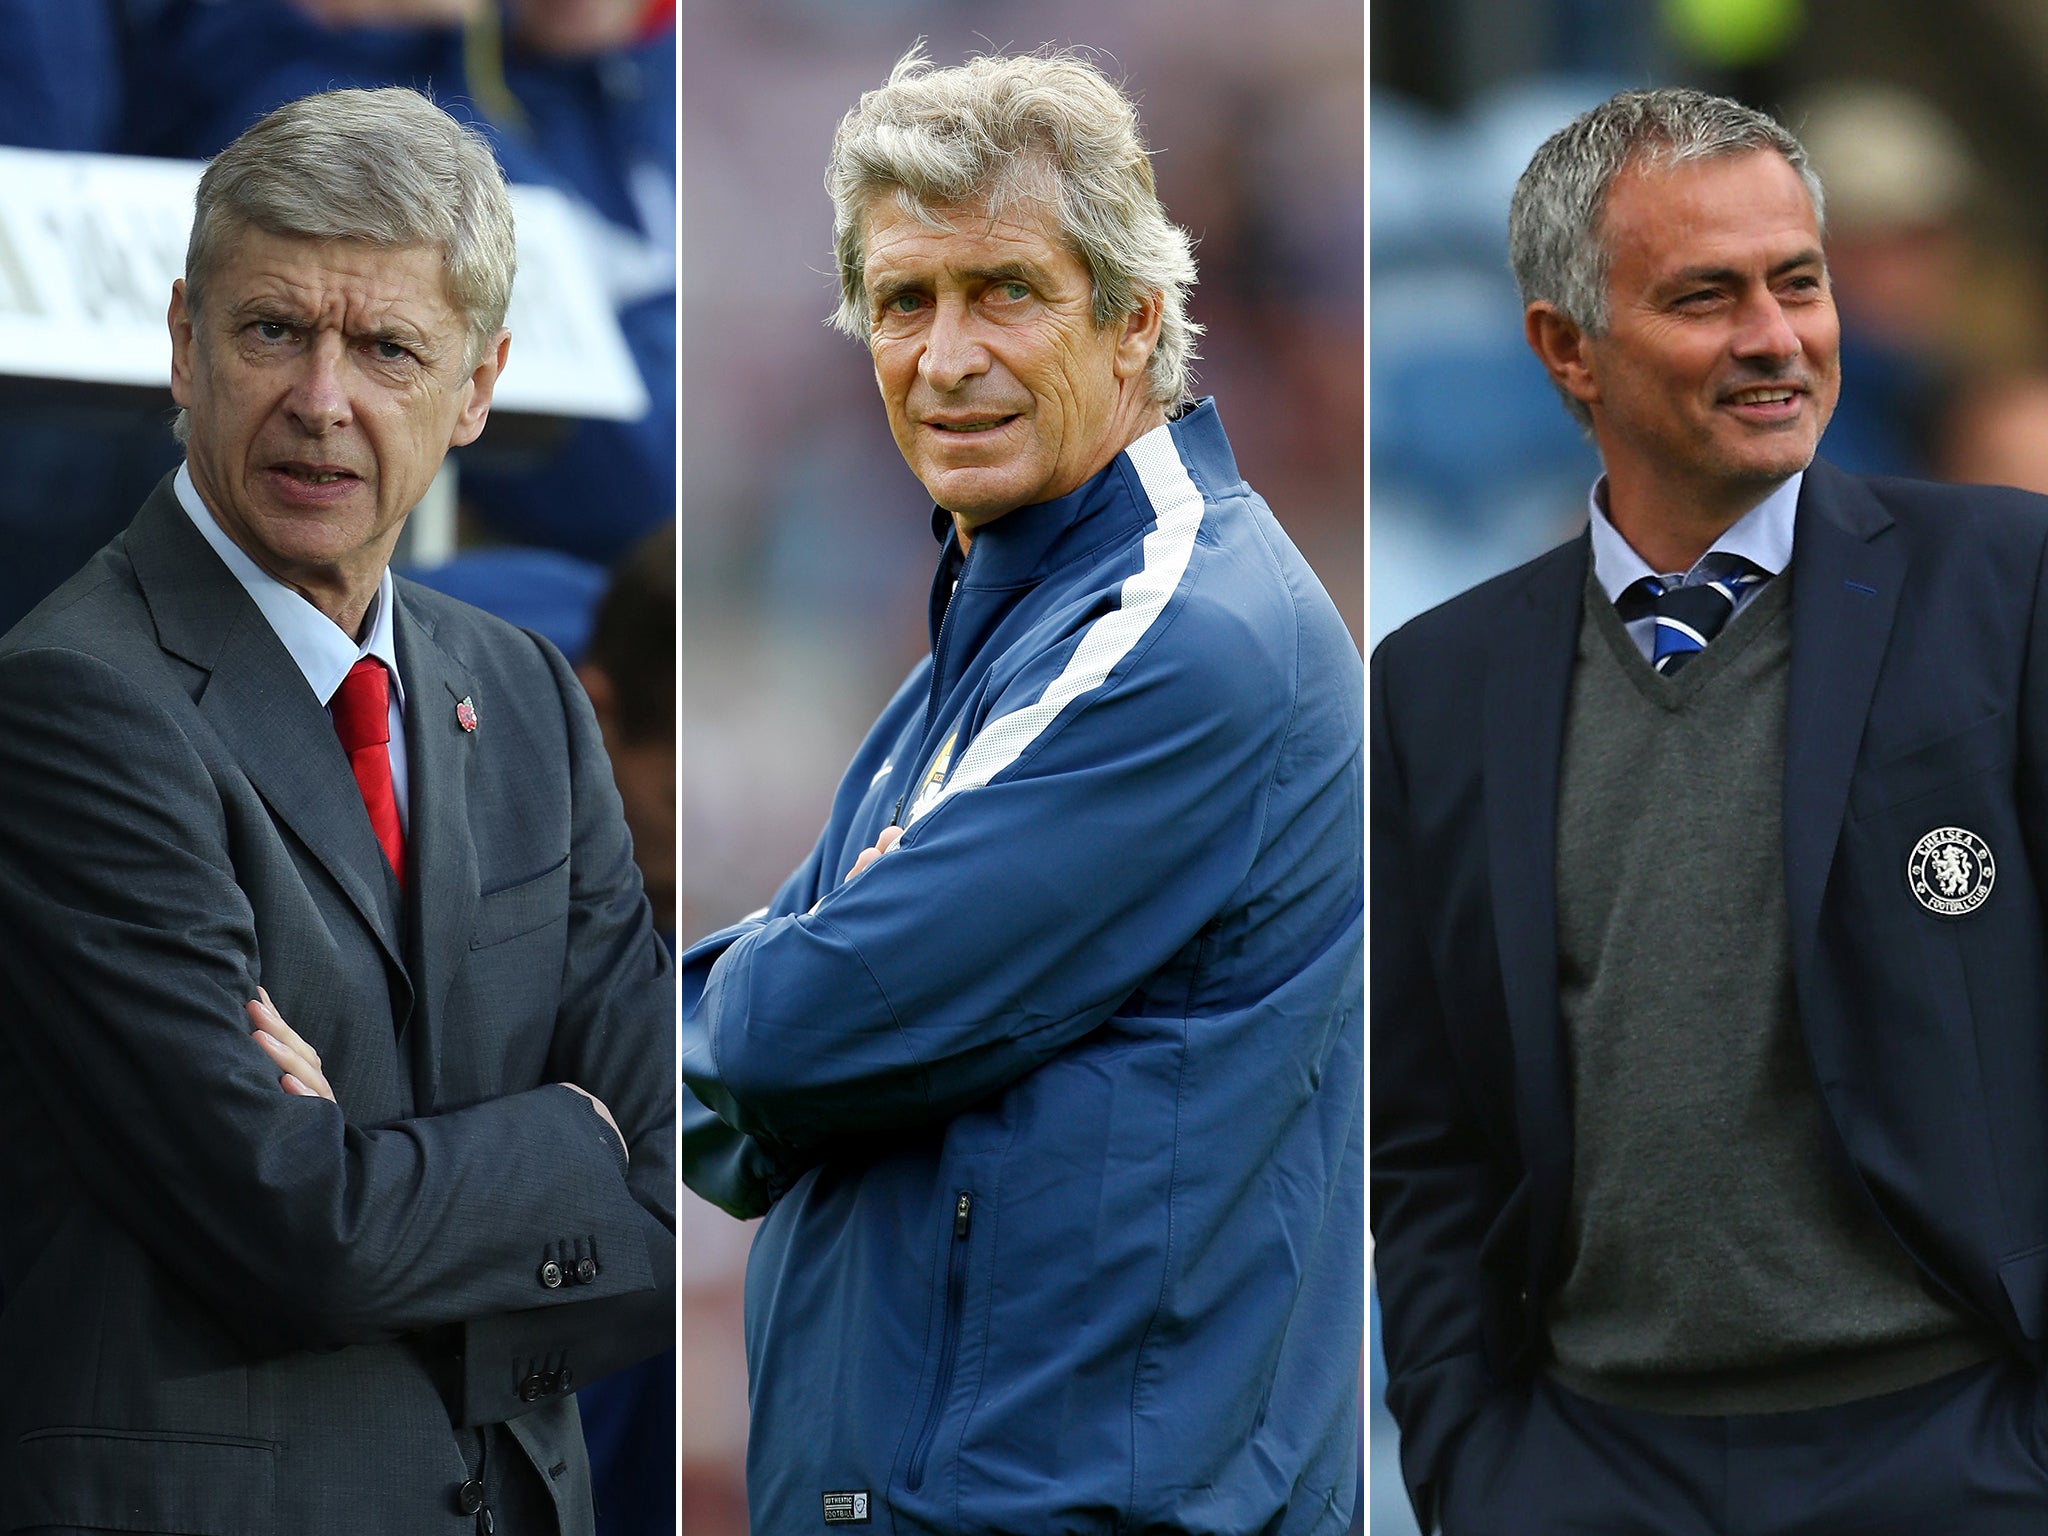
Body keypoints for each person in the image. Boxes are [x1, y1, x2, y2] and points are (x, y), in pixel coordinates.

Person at [674, 45, 1363, 1536]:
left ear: (1138, 321)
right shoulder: (1011, 619)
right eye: (905, 302)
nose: (947, 355)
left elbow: (785, 1032)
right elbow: (773, 1025)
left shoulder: (1177, 634)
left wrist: (649, 1049)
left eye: (1007, 291)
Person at [1372, 85, 2048, 1534]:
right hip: (1589, 1473)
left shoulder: (2014, 582)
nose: (1774, 336)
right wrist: (1476, 1473)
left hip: (1956, 1454)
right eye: (1705, 296)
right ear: (1568, 351)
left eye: (1797, 282)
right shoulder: (1435, 685)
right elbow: (1426, 1142)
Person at [0, 88, 674, 1533]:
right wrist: (567, 1144)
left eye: (386, 348)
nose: (322, 398)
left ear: (479, 383)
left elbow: (676, 1197)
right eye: (271, 332)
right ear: (181, 342)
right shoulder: (76, 701)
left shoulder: (533, 698)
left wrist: (384, 1180)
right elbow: (291, 1230)